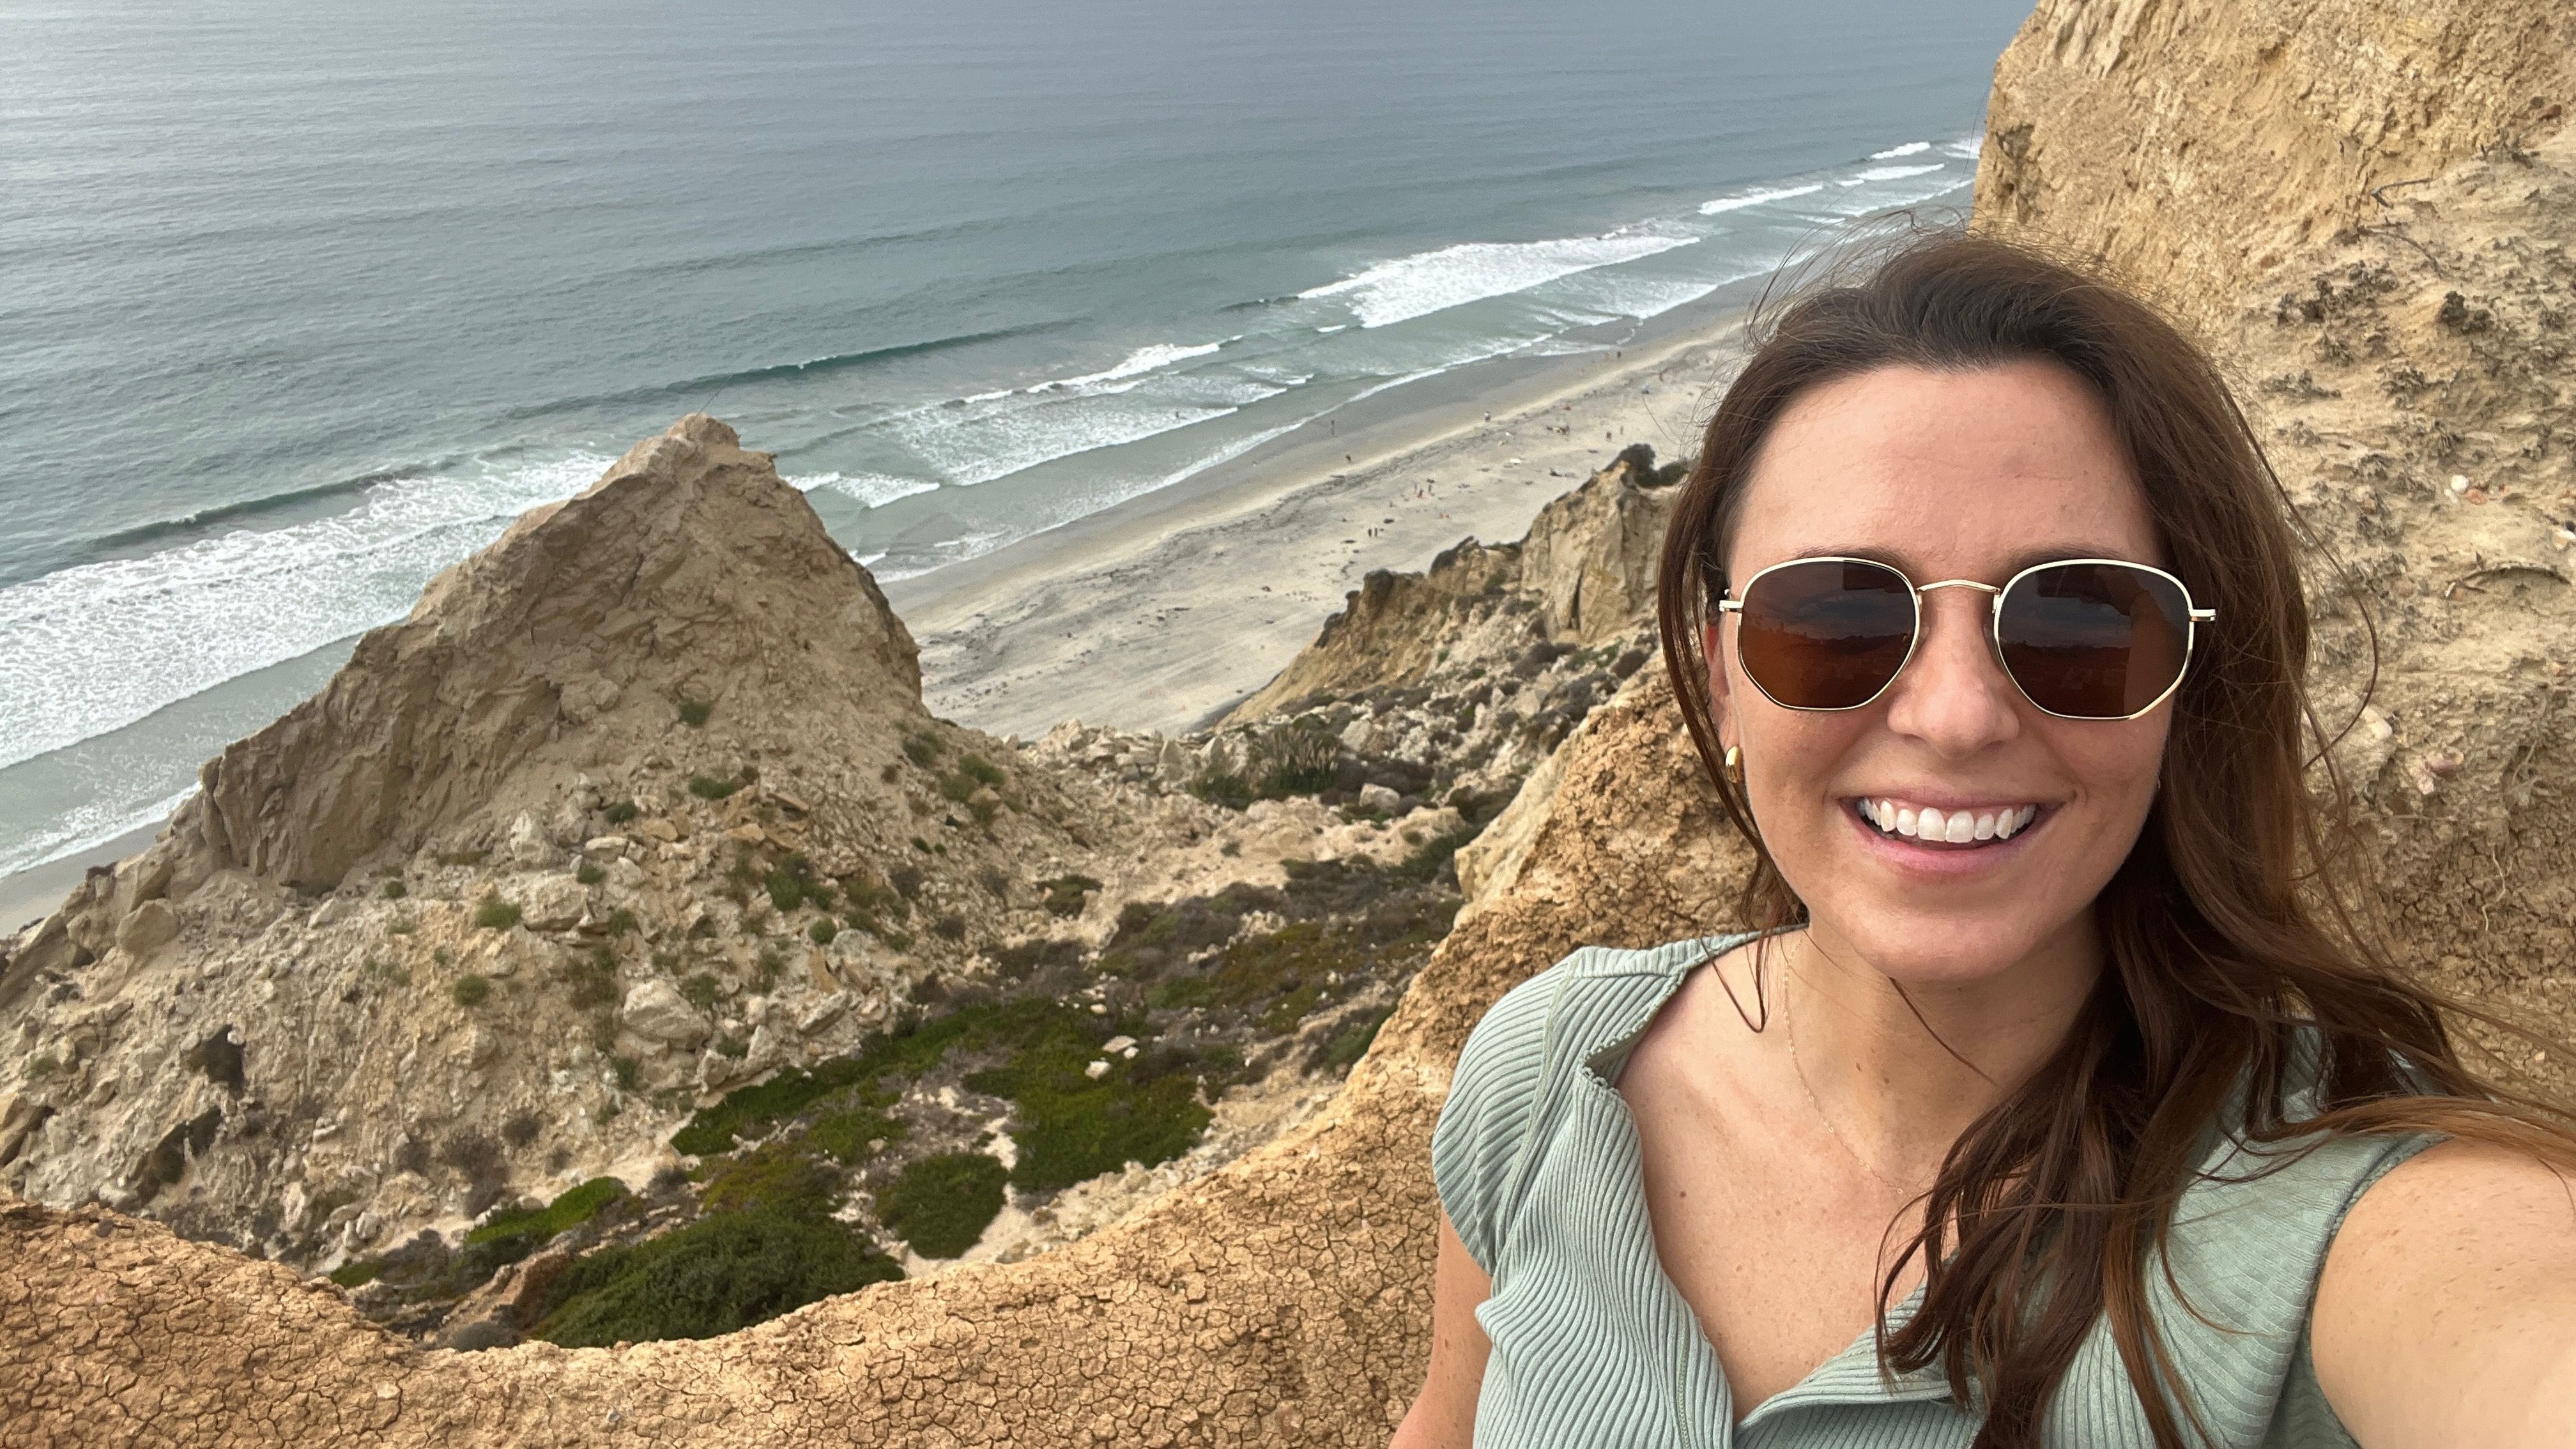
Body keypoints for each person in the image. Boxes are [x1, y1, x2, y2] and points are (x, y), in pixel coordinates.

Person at [1391, 227, 2576, 1449]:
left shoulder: (2335, 1216)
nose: (1955, 716)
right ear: (1724, 677)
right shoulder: (1552, 1071)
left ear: (2185, 687)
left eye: (2077, 619)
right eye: (1838, 615)